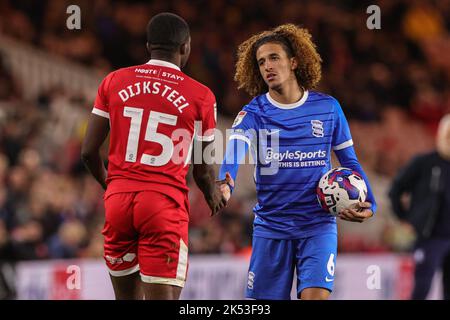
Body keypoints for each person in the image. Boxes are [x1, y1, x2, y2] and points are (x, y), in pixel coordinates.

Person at [217, 24, 376, 300]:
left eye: (274, 57)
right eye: (261, 61)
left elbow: (350, 161)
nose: (267, 66)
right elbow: (234, 149)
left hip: (317, 225)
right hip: (271, 227)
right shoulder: (254, 112)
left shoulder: (328, 108)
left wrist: (371, 204)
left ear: (294, 62)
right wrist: (226, 182)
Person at [81, 12, 229, 300]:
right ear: (185, 47)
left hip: (118, 202)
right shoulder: (201, 96)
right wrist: (213, 193)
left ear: (149, 46)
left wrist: (111, 186)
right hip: (163, 205)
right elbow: (202, 170)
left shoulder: (114, 80)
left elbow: (88, 152)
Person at [389, 114, 450, 300]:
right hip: (429, 238)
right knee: (422, 287)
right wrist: (406, 219)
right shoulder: (424, 163)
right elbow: (396, 190)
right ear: (441, 135)